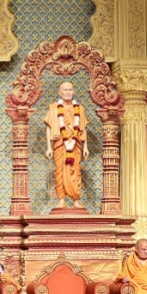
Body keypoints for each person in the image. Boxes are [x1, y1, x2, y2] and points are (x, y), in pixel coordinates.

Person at [44, 81, 89, 210]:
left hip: (75, 144)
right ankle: (61, 200)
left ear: (73, 92)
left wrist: (86, 147)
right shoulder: (54, 108)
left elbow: (83, 128)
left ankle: (76, 200)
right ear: (60, 93)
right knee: (59, 172)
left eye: (70, 90)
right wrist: (49, 147)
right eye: (65, 90)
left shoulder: (79, 109)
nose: (68, 92)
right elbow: (49, 128)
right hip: (60, 144)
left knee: (76, 171)